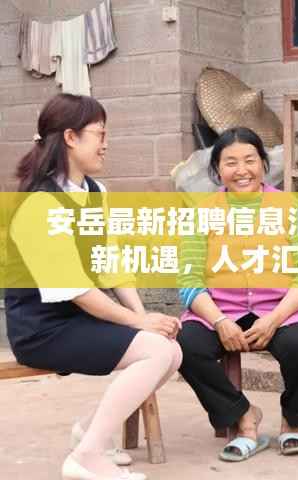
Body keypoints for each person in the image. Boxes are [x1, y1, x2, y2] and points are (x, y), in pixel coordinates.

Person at [5, 93, 182, 480]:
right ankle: (86, 457)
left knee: (170, 350)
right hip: (41, 328)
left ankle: (89, 432)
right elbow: (76, 290)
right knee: (154, 350)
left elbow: (111, 265)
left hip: (79, 319)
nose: (105, 143)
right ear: (71, 137)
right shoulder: (40, 204)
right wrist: (139, 324)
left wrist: (144, 317)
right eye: (99, 133)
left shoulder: (96, 192)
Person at [176, 127, 298, 461]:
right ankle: (244, 417)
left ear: (263, 164)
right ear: (217, 169)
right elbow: (189, 279)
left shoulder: (289, 206)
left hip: (281, 308)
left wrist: (274, 319)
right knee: (186, 345)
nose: (241, 170)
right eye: (230, 162)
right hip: (219, 308)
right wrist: (219, 321)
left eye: (249, 160)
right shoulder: (202, 213)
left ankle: (293, 421)